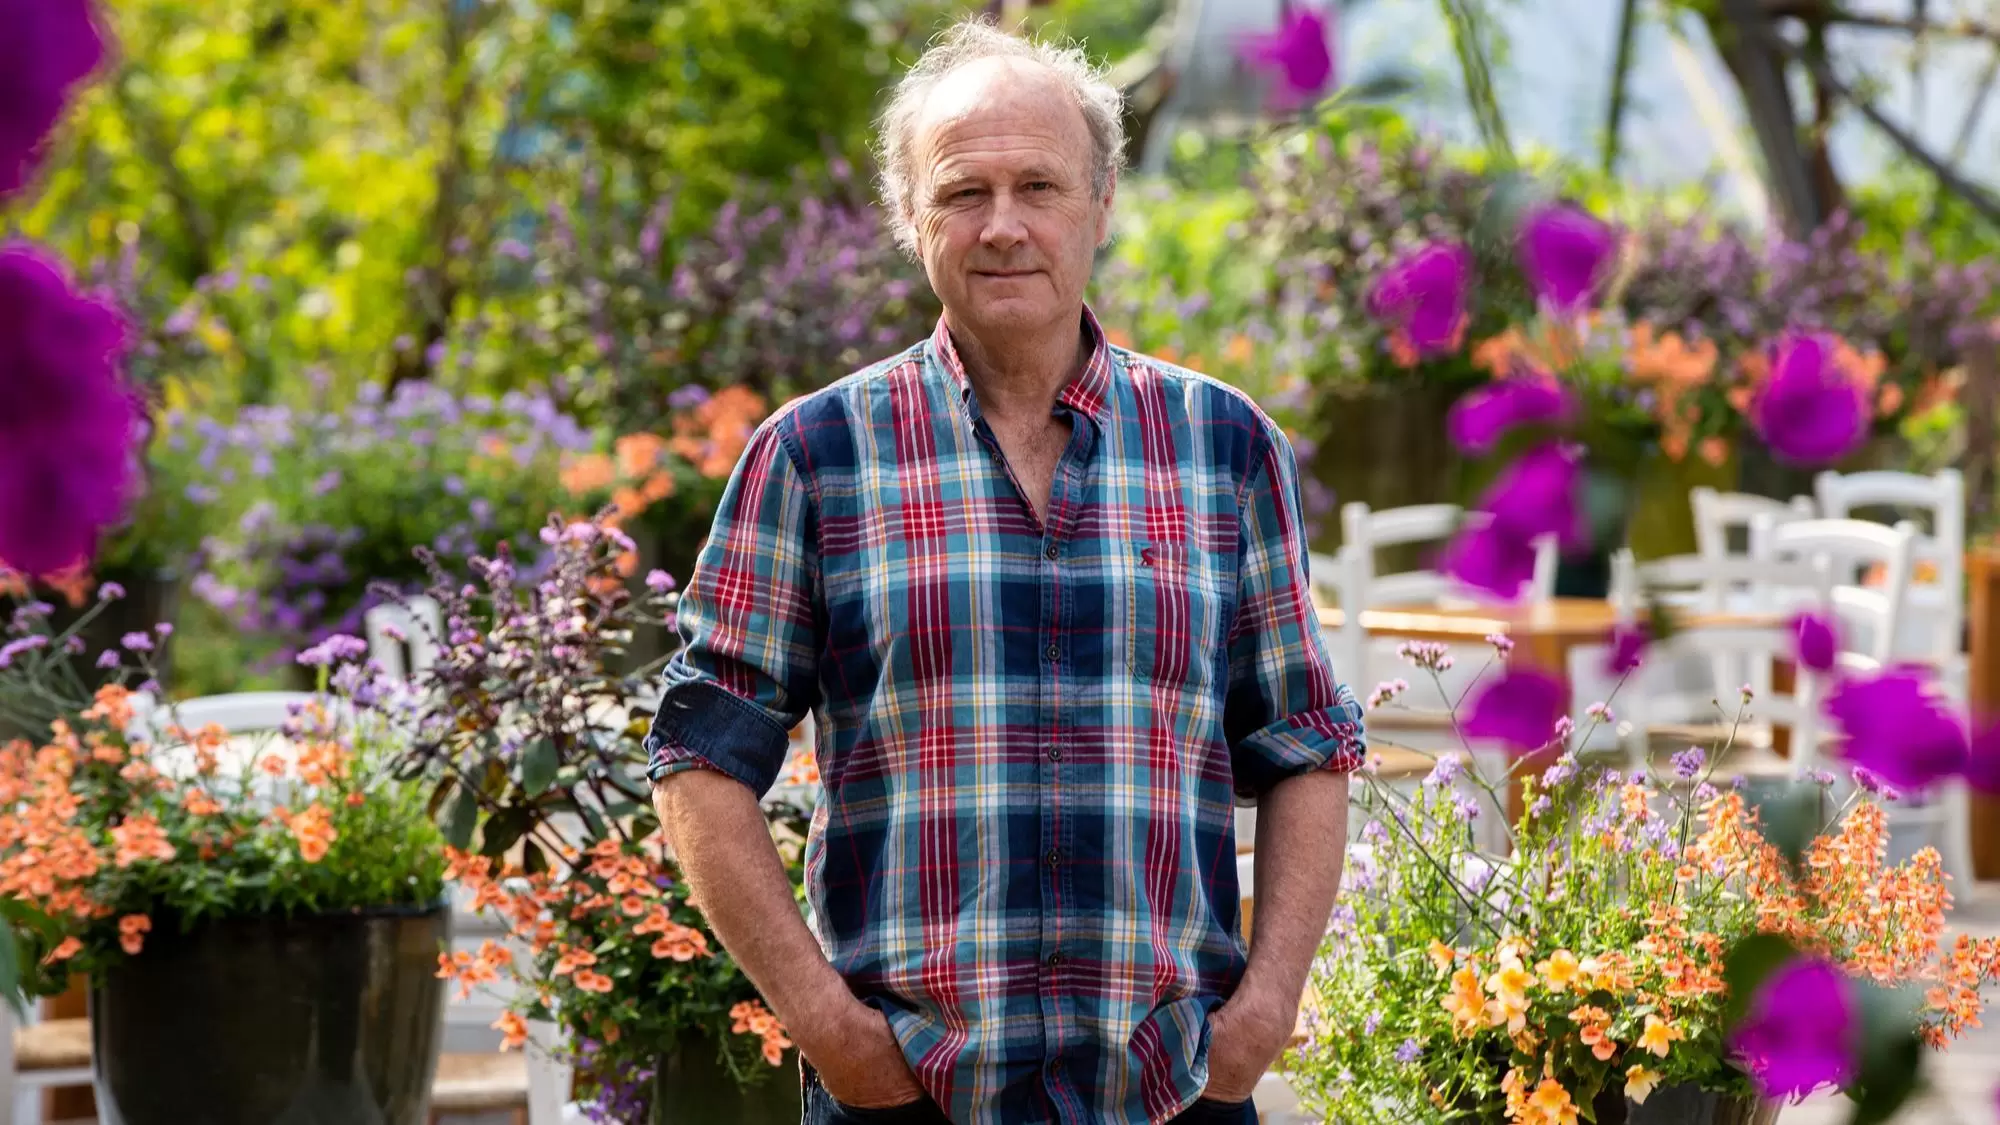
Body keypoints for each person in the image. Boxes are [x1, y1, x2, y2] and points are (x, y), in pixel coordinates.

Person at [647, 17, 1363, 1125]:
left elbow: (1306, 742)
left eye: (1038, 185)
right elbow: (700, 756)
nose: (1002, 227)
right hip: (906, 1099)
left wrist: (1262, 1013)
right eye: (961, 193)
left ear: (1100, 205)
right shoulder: (815, 455)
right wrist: (827, 1028)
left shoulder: (1223, 447)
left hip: (1169, 1093)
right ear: (909, 219)